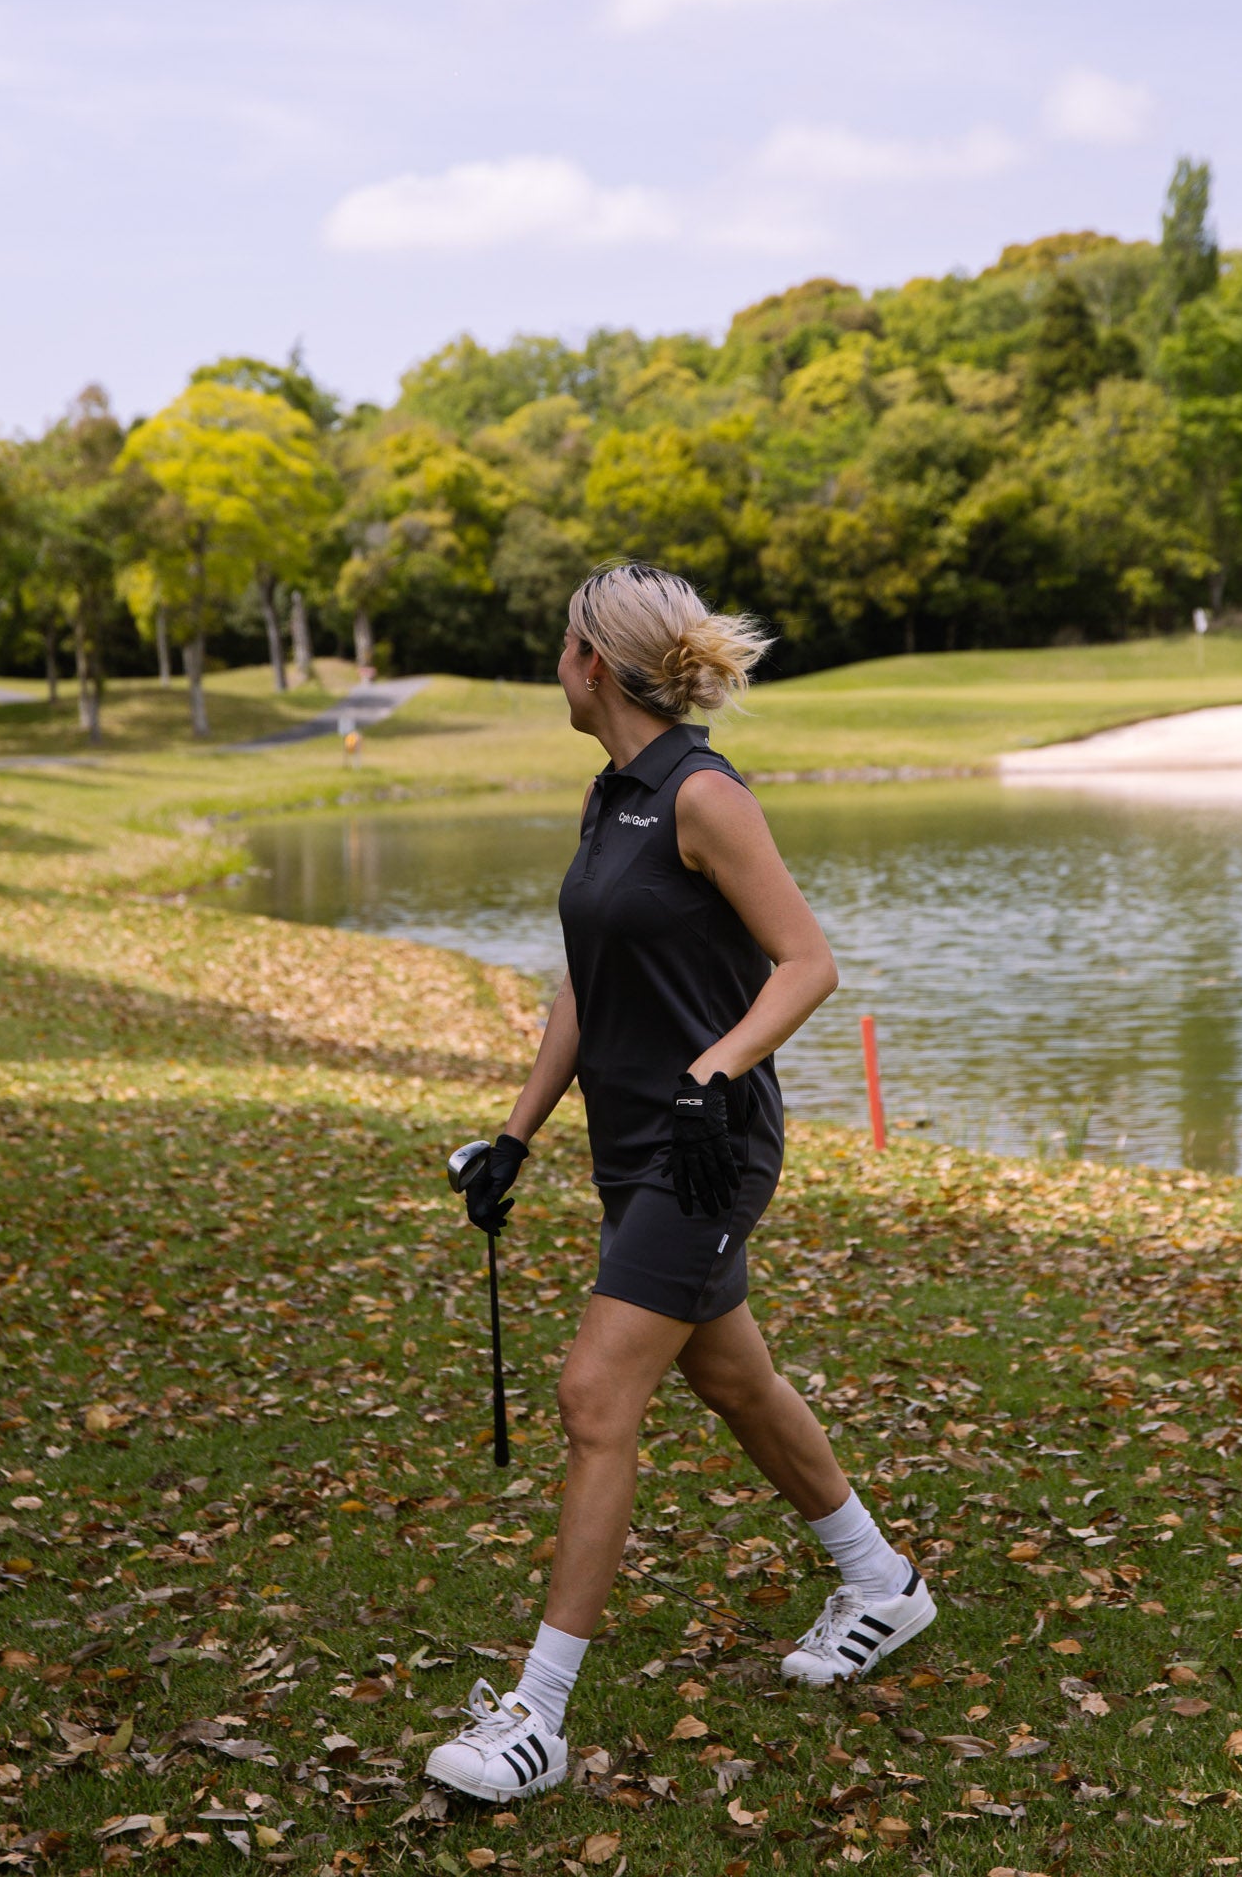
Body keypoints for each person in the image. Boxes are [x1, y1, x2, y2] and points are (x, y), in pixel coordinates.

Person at [425, 562, 936, 1804]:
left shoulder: (702, 794)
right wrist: (516, 1135)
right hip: (629, 1140)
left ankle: (537, 1716)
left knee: (596, 1391)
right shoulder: (612, 796)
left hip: (707, 1145)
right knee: (730, 1371)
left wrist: (715, 1067)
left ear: (594, 664)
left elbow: (805, 962)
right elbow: (584, 986)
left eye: (561, 645)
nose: (554, 662)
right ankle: (880, 1579)